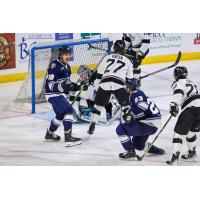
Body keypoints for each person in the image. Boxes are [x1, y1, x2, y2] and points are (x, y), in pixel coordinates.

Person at [87, 40, 135, 134]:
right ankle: (129, 123)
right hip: (119, 84)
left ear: (114, 48)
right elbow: (130, 81)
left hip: (105, 82)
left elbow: (99, 74)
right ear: (123, 49)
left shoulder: (107, 57)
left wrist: (97, 86)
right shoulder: (128, 61)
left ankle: (93, 123)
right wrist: (129, 90)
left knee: (98, 106)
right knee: (126, 106)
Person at [116, 79, 165, 159]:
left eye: (127, 86)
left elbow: (144, 107)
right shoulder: (139, 93)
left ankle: (130, 151)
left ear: (131, 87)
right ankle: (158, 150)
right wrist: (131, 113)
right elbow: (143, 109)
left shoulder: (136, 95)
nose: (126, 88)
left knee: (120, 128)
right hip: (152, 124)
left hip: (147, 124)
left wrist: (131, 116)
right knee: (138, 144)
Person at [44, 46, 82, 147]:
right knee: (69, 110)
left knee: (60, 115)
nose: (68, 56)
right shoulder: (54, 66)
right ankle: (68, 137)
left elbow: (68, 84)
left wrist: (79, 86)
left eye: (69, 54)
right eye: (66, 55)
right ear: (61, 55)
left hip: (60, 95)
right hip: (53, 94)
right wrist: (61, 86)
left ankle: (49, 134)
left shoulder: (67, 67)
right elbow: (50, 85)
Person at [166, 66, 200, 165]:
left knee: (178, 134)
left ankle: (174, 159)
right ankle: (192, 154)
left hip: (190, 109)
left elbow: (179, 92)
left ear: (176, 75)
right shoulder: (191, 82)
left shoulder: (178, 83)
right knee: (190, 132)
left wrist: (173, 105)